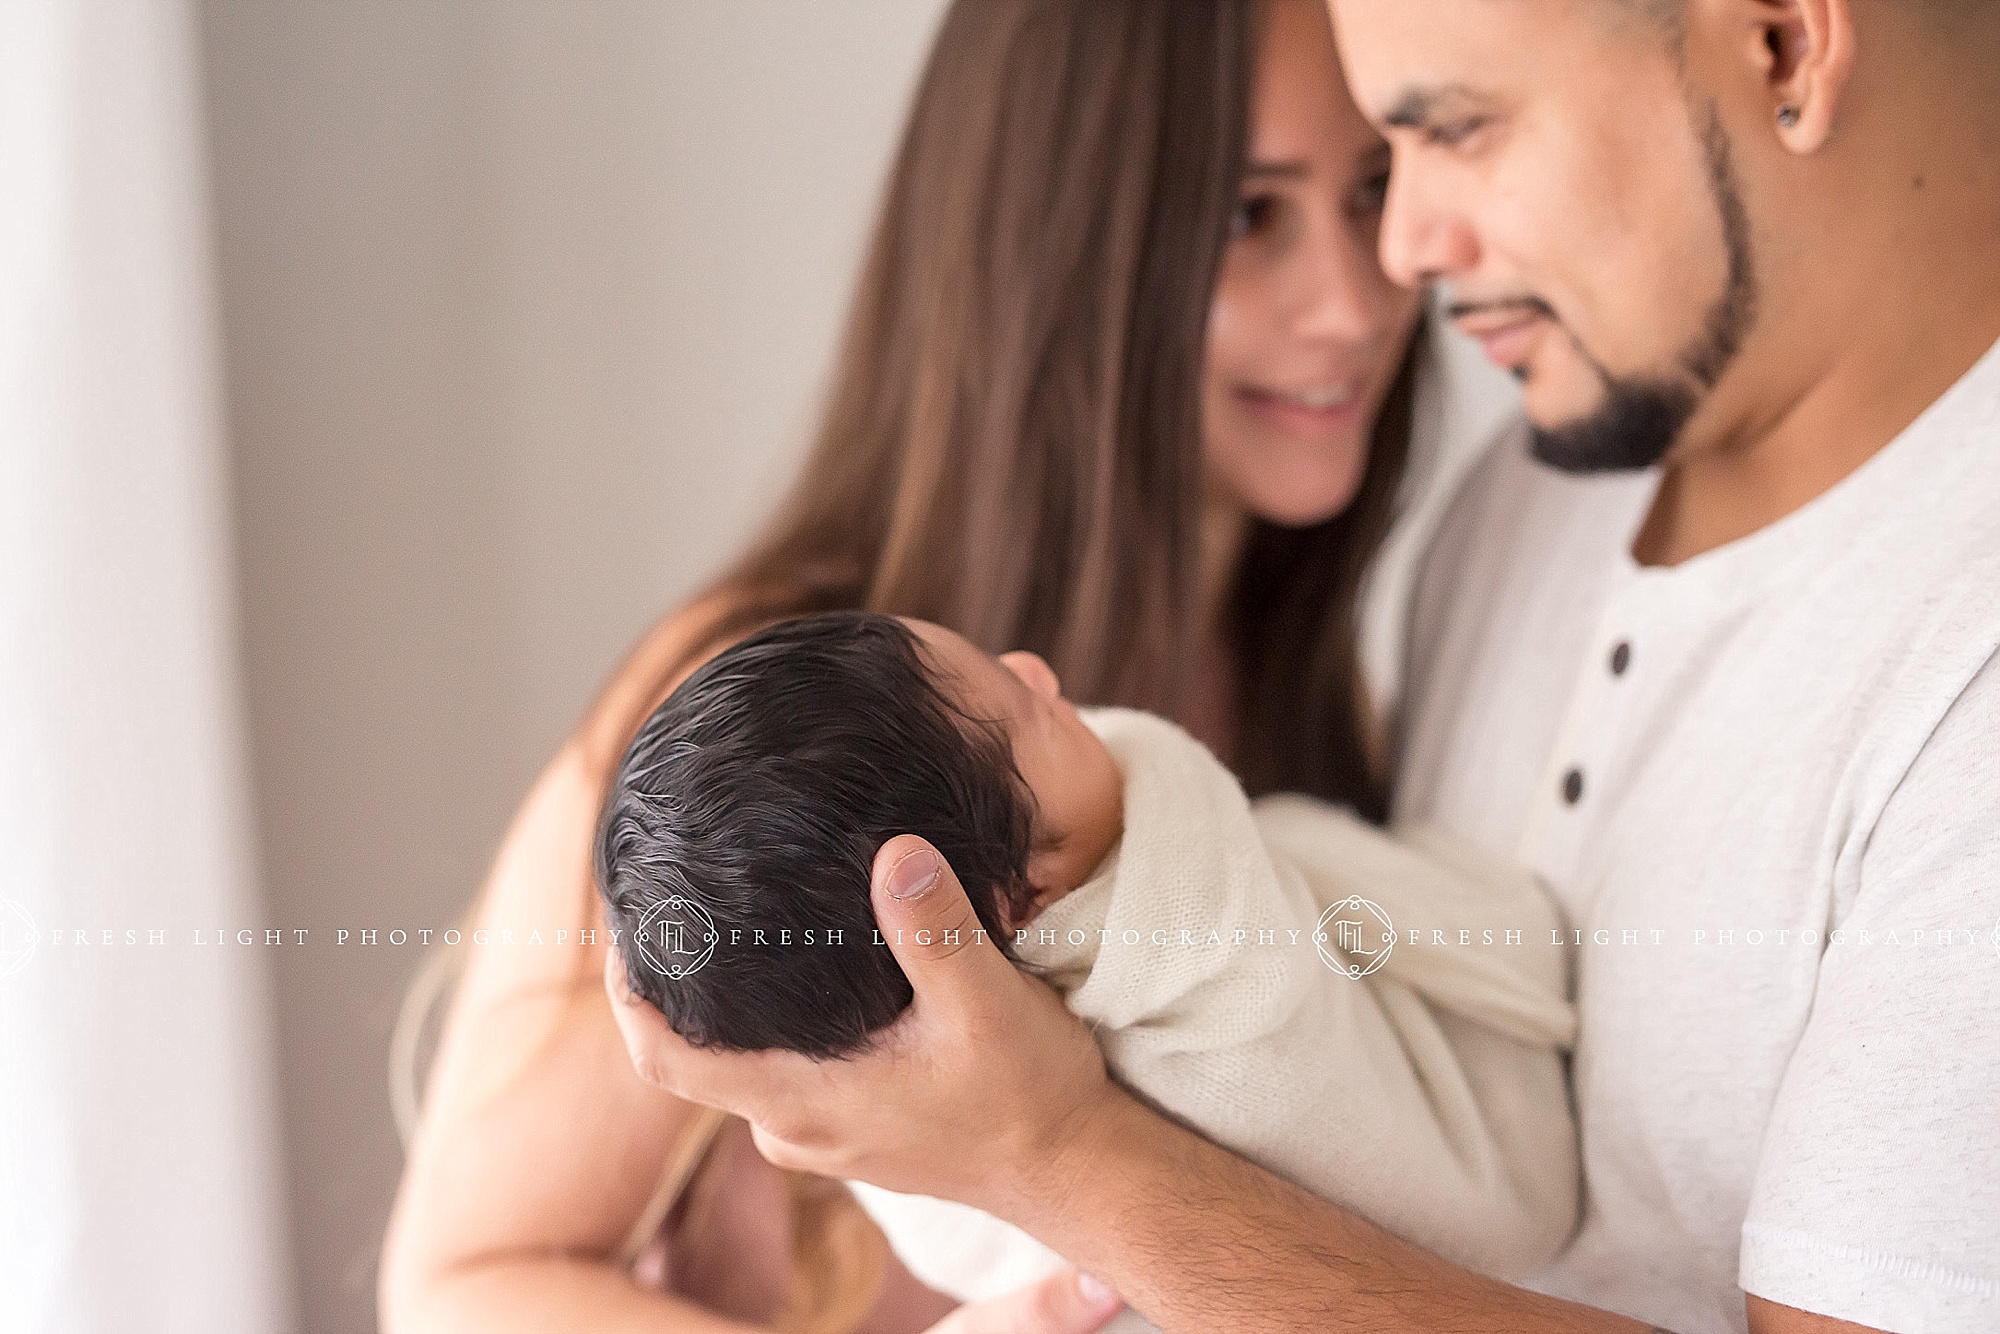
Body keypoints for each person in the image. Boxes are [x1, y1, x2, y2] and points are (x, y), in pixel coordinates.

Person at [609, 2, 2000, 1333]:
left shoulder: (1962, 661)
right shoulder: (1524, 505)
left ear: (1782, 42)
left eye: (1452, 131)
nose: (1399, 253)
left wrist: (1058, 1153)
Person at [380, 0, 1452, 1329]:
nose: (1360, 299)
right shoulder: (782, 720)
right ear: (1059, 244)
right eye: (1249, 218)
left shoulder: (1314, 709)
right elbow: (463, 1289)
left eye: (1374, 189)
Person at [600, 608, 1578, 1316]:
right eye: (1037, 714)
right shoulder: (1192, 932)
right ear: (1022, 900)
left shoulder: (879, 1108)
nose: (1036, 668)